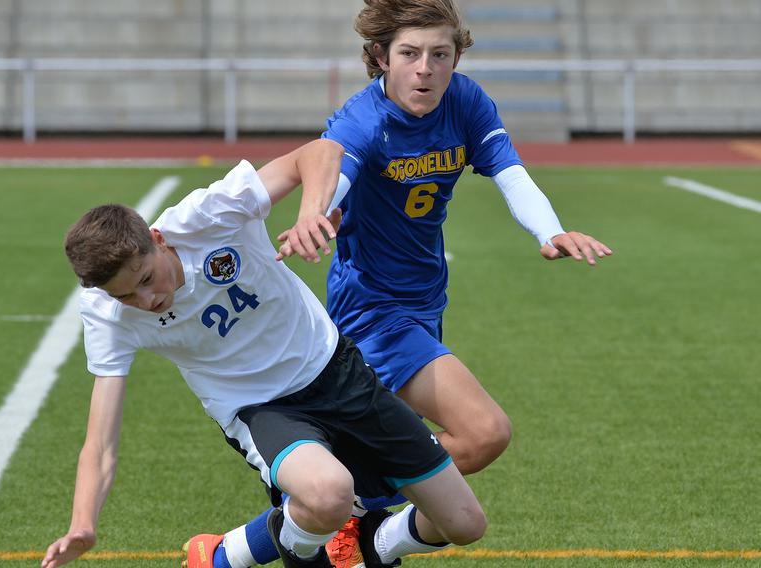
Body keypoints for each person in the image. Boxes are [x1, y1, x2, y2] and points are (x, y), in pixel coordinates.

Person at [185, 1, 613, 567]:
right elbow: (333, 174)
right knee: (483, 434)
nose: (426, 69)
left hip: (425, 299)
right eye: (410, 55)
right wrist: (319, 214)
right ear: (381, 58)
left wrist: (550, 230)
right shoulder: (364, 120)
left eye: (441, 55)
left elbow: (510, 171)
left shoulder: (465, 100)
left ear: (457, 57)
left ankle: (294, 543)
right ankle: (337, 518)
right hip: (373, 311)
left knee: (423, 467)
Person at [40, 140, 490, 568]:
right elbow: (100, 441)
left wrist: (311, 214)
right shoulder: (105, 315)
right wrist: (84, 524)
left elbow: (320, 153)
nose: (146, 300)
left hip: (336, 369)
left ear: (158, 239)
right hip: (259, 408)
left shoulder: (207, 215)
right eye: (127, 297)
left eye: (145, 278)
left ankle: (372, 544)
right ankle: (300, 549)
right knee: (330, 493)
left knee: (464, 523)